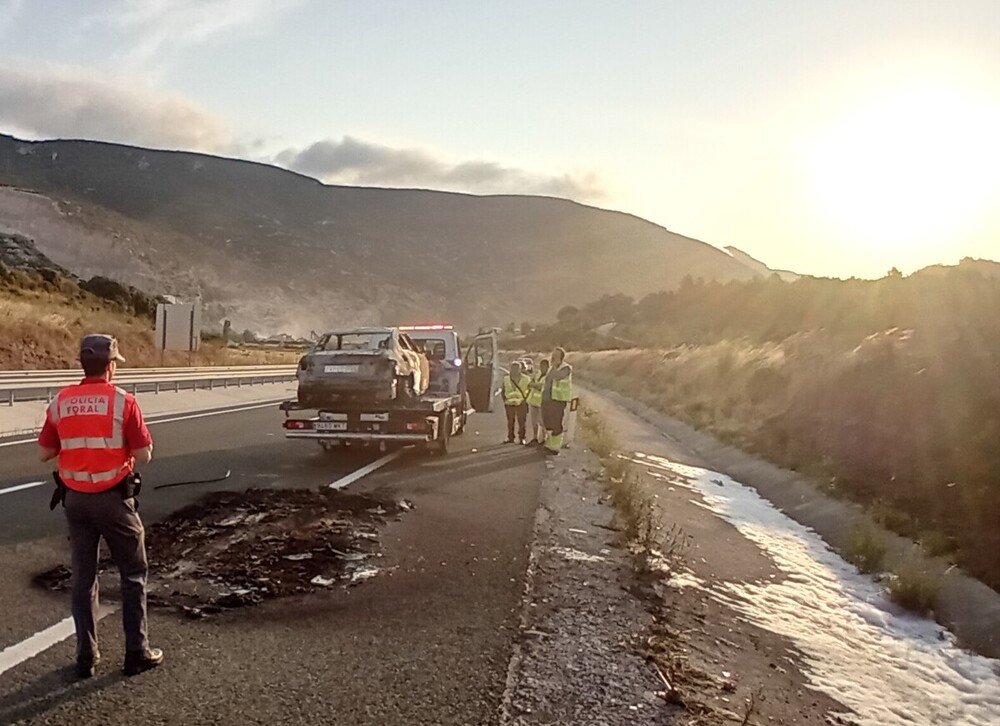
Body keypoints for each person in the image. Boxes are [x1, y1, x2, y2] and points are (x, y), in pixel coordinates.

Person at [37, 334, 164, 679]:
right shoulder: (124, 402)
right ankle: (136, 652)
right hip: (113, 500)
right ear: (111, 366)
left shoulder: (61, 401)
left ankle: (85, 656)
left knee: (83, 576)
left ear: (83, 364)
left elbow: (45, 452)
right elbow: (144, 455)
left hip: (75, 501)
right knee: (133, 574)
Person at [541, 347, 573, 455]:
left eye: (555, 356)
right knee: (547, 422)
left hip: (558, 399)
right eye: (552, 356)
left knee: (556, 423)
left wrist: (554, 366)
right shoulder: (552, 368)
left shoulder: (566, 368)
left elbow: (557, 377)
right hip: (547, 399)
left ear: (561, 357)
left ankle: (555, 447)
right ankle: (549, 443)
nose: (552, 358)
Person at [501, 360, 531, 444]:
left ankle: (522, 438)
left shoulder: (526, 379)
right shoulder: (506, 378)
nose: (514, 370)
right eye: (513, 368)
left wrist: (525, 400)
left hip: (522, 403)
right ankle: (510, 437)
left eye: (517, 368)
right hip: (509, 403)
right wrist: (505, 400)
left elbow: (530, 390)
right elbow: (503, 390)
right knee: (510, 422)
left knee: (522, 422)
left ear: (520, 369)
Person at [526, 358, 549, 446]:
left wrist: (534, 385)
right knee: (534, 422)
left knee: (542, 422)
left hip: (542, 403)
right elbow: (530, 383)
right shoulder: (538, 374)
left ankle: (543, 439)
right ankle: (535, 438)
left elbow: (541, 387)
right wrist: (534, 385)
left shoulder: (548, 376)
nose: (541, 368)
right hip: (534, 401)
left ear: (547, 367)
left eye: (543, 366)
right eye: (541, 366)